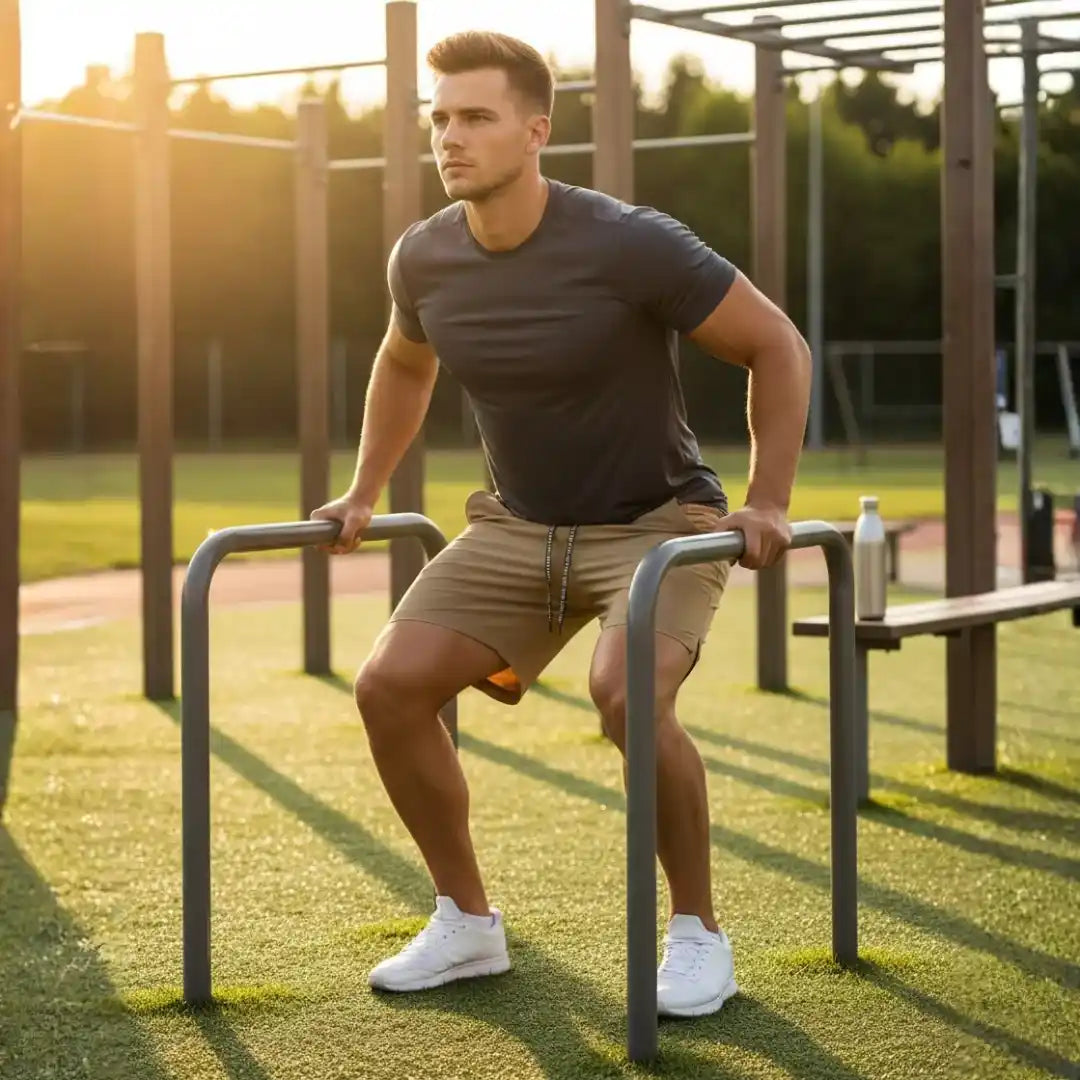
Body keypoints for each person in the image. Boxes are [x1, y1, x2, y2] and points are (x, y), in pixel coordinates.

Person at [311, 30, 811, 1019]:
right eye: (439, 117)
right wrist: (365, 489)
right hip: (519, 527)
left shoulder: (630, 242)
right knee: (389, 687)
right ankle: (467, 922)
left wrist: (770, 500)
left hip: (656, 522)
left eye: (476, 117)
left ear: (537, 131)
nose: (449, 137)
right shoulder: (426, 257)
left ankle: (698, 933)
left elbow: (776, 345)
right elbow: (406, 363)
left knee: (627, 696)